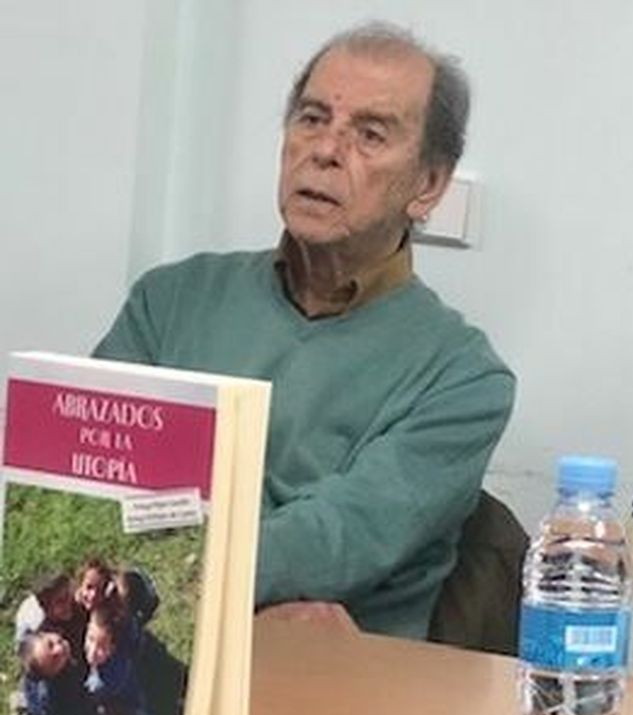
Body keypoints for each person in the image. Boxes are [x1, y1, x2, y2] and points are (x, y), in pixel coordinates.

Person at [93, 22, 514, 638]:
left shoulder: (464, 378)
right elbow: (87, 484)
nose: (326, 149)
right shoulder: (169, 300)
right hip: (142, 646)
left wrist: (158, 572)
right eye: (312, 119)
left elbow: (336, 540)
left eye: (370, 134)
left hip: (336, 682)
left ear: (428, 185)